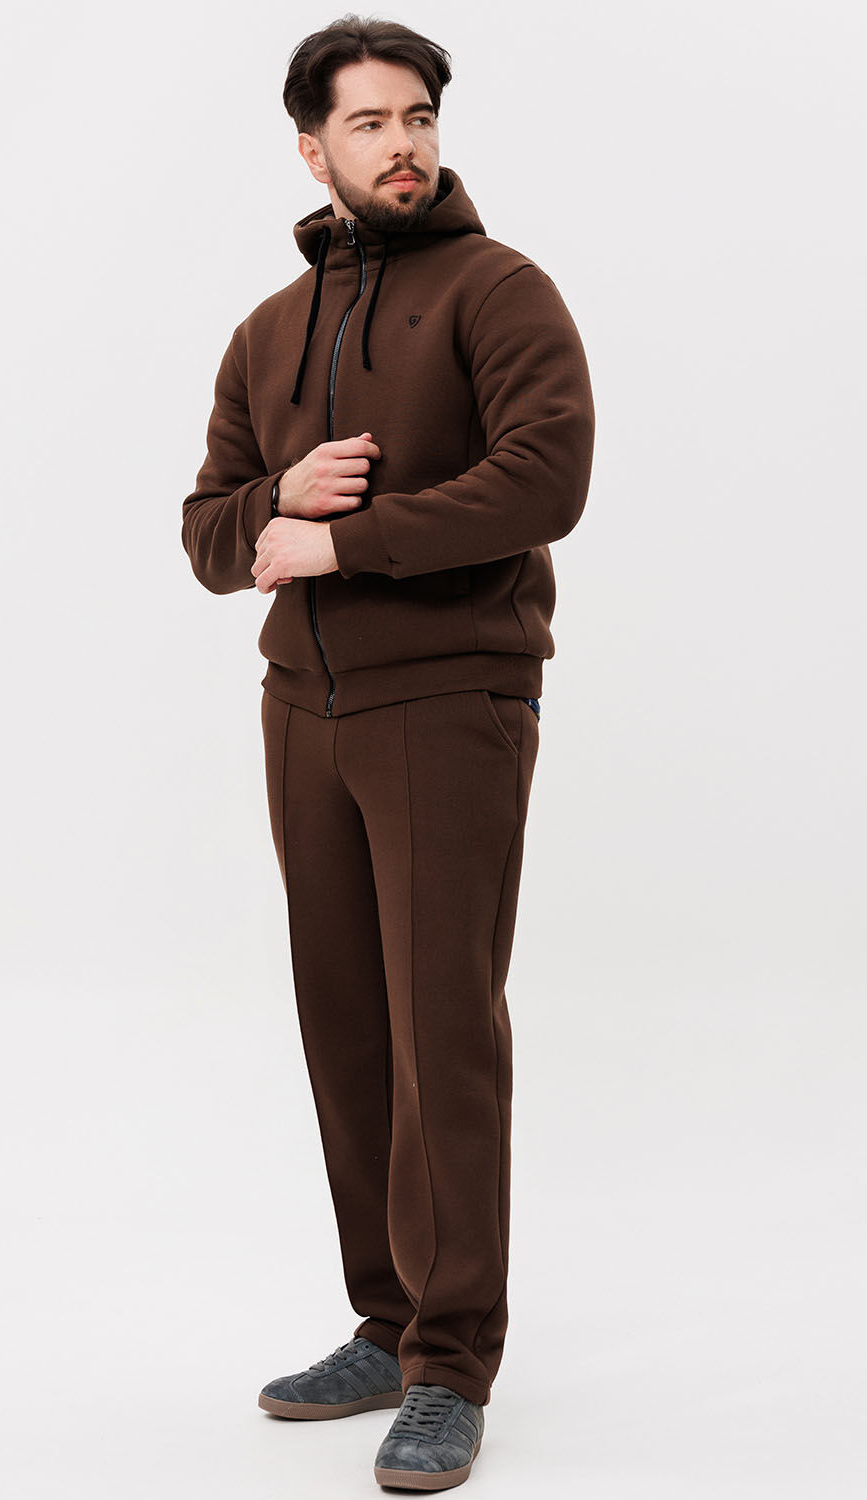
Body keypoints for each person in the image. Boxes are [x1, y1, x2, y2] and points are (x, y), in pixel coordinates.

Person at [180, 15, 595, 1490]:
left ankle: (453, 1362)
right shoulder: (266, 332)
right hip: (305, 708)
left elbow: (545, 479)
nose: (403, 144)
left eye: (417, 116)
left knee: (442, 1031)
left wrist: (344, 543)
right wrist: (280, 503)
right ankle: (386, 1319)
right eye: (370, 123)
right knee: (348, 1024)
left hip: (451, 699)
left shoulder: (500, 290)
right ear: (314, 149)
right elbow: (209, 533)